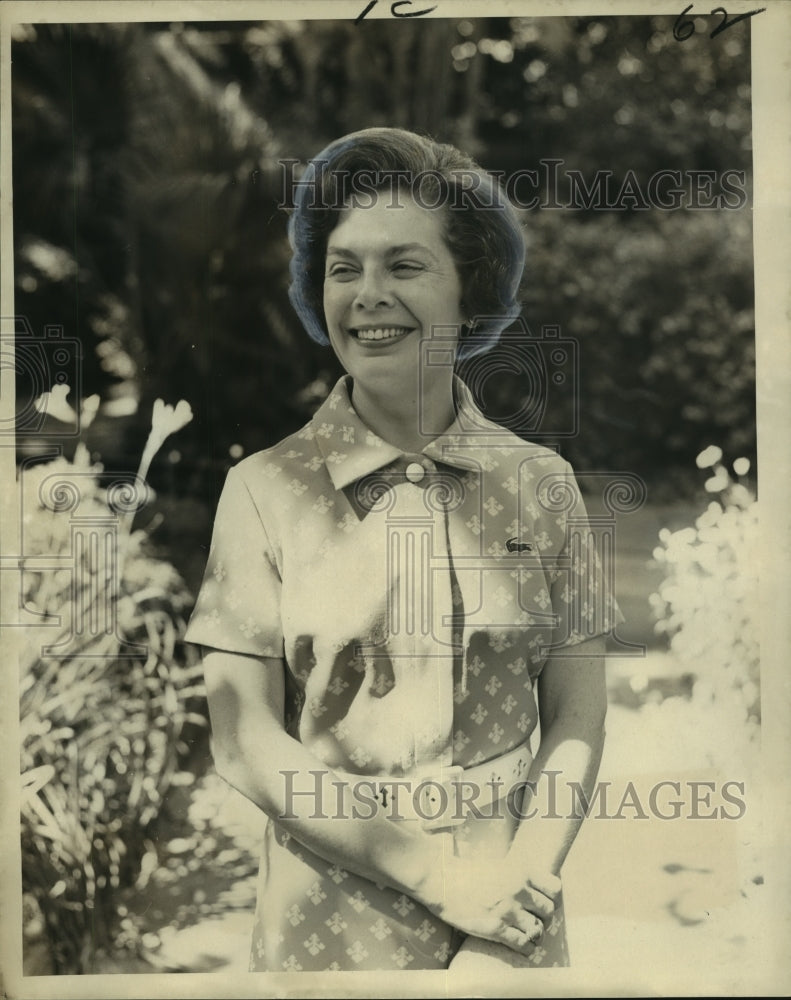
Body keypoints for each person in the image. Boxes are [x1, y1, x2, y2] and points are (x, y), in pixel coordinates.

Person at [185, 127, 620, 973]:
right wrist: (432, 877)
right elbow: (244, 740)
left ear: (471, 291)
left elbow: (576, 716)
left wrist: (513, 902)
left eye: (404, 266)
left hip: (507, 912)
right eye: (343, 268)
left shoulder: (543, 484)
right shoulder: (261, 491)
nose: (366, 294)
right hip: (329, 931)